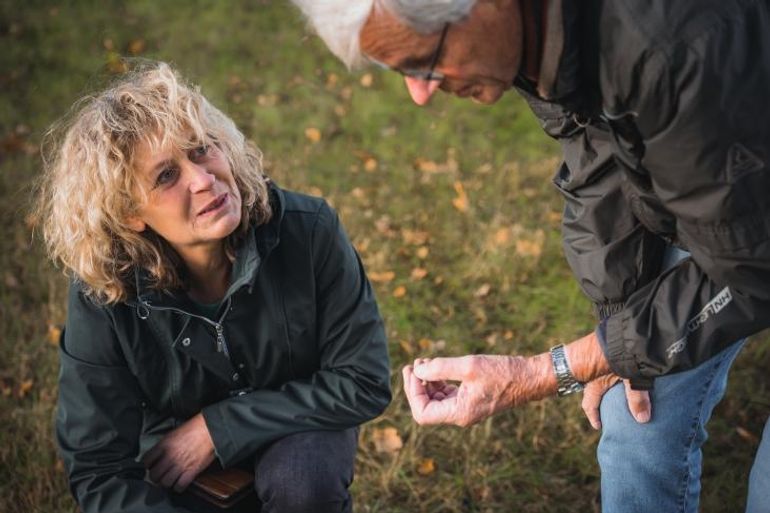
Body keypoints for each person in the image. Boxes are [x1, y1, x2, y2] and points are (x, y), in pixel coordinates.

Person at [290, 0, 770, 511]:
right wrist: (617, 325)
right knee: (633, 425)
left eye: (424, 63)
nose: (420, 95)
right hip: (719, 198)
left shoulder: (673, 48)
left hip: (747, 232)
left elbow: (748, 270)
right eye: (399, 71)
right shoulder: (536, 35)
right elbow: (594, 156)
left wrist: (552, 368)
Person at [36, 61, 391, 513]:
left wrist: (218, 427)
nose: (203, 180)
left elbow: (363, 380)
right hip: (172, 452)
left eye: (202, 150)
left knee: (303, 483)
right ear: (128, 213)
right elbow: (98, 466)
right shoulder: (103, 292)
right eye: (166, 176)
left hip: (301, 421)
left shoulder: (308, 229)